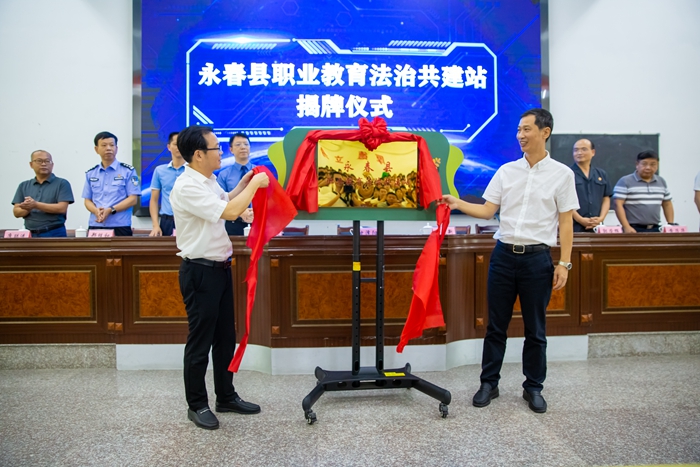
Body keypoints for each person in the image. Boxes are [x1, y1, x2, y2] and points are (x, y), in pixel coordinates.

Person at [441, 108, 578, 414]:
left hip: (538, 260)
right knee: (495, 326)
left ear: (545, 132)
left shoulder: (562, 174)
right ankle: (489, 384)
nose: (520, 135)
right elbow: (487, 210)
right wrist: (458, 203)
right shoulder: (506, 171)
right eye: (518, 130)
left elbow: (566, 222)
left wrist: (564, 263)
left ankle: (533, 387)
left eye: (526, 129)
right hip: (503, 256)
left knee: (536, 330)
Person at [170, 125, 269, 430]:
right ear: (198, 154)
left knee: (225, 338)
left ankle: (225, 396)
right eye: (216, 148)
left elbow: (226, 200)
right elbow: (229, 212)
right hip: (200, 272)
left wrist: (243, 184)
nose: (221, 153)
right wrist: (255, 186)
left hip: (220, 269)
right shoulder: (187, 186)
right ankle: (197, 404)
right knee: (200, 342)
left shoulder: (208, 180)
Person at [82, 132, 139, 236]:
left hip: (120, 225)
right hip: (96, 224)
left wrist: (111, 210)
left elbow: (133, 199)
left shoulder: (128, 171)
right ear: (96, 149)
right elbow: (87, 200)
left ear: (116, 148)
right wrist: (96, 211)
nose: (108, 148)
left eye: (112, 145)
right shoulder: (91, 173)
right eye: (104, 145)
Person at [12, 150, 74, 237]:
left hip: (54, 232)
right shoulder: (24, 185)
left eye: (47, 161)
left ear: (52, 165)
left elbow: (62, 208)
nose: (44, 164)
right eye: (39, 161)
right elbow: (16, 212)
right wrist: (28, 207)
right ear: (31, 164)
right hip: (29, 233)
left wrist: (35, 205)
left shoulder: (62, 183)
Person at [613, 150, 674, 233]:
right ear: (637, 164)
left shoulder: (661, 181)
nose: (648, 167)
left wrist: (670, 225)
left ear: (657, 165)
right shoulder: (625, 181)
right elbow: (618, 204)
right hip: (633, 229)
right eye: (644, 164)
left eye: (653, 164)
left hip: (655, 228)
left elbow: (667, 204)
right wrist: (626, 226)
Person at [216, 133, 255, 235]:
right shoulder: (224, 175)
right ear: (231, 149)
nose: (243, 147)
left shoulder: (260, 172)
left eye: (246, 144)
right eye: (238, 144)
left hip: (257, 221)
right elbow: (220, 200)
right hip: (233, 223)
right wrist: (240, 212)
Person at [570, 139, 612, 232]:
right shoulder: (567, 174)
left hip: (597, 226)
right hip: (573, 226)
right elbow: (563, 201)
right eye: (576, 150)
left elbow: (606, 198)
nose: (579, 153)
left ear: (593, 152)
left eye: (584, 149)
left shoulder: (601, 174)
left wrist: (601, 218)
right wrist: (580, 219)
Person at [149, 131, 185, 236]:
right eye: (176, 144)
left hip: (188, 221)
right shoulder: (159, 171)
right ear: (169, 147)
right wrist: (155, 225)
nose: (179, 147)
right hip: (167, 221)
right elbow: (154, 200)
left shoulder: (194, 170)